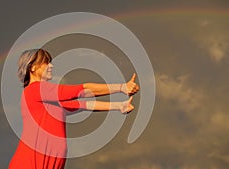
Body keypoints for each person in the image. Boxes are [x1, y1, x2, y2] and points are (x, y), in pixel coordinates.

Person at [8, 49, 139, 169]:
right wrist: (122, 87)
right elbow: (81, 91)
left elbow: (85, 105)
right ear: (33, 67)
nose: (51, 66)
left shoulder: (50, 100)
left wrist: (119, 106)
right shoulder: (35, 90)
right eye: (46, 62)